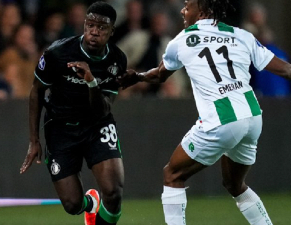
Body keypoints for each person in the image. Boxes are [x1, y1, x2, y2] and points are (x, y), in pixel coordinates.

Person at [118, 0, 291, 224]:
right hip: (252, 116)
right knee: (235, 185)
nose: (182, 10)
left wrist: (138, 77)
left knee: (172, 174)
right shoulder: (241, 35)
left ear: (202, 10)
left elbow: (160, 74)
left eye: (188, 5)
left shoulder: (182, 40)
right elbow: (286, 68)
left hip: (222, 119)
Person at [20, 2, 126, 225]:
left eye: (101, 27)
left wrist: (91, 82)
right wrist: (33, 141)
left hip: (96, 125)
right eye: (90, 25)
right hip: (60, 128)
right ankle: (90, 205)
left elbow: (104, 108)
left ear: (112, 31)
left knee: (114, 192)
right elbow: (36, 91)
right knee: (72, 204)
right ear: (84, 25)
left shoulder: (117, 60)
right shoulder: (57, 53)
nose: (94, 31)